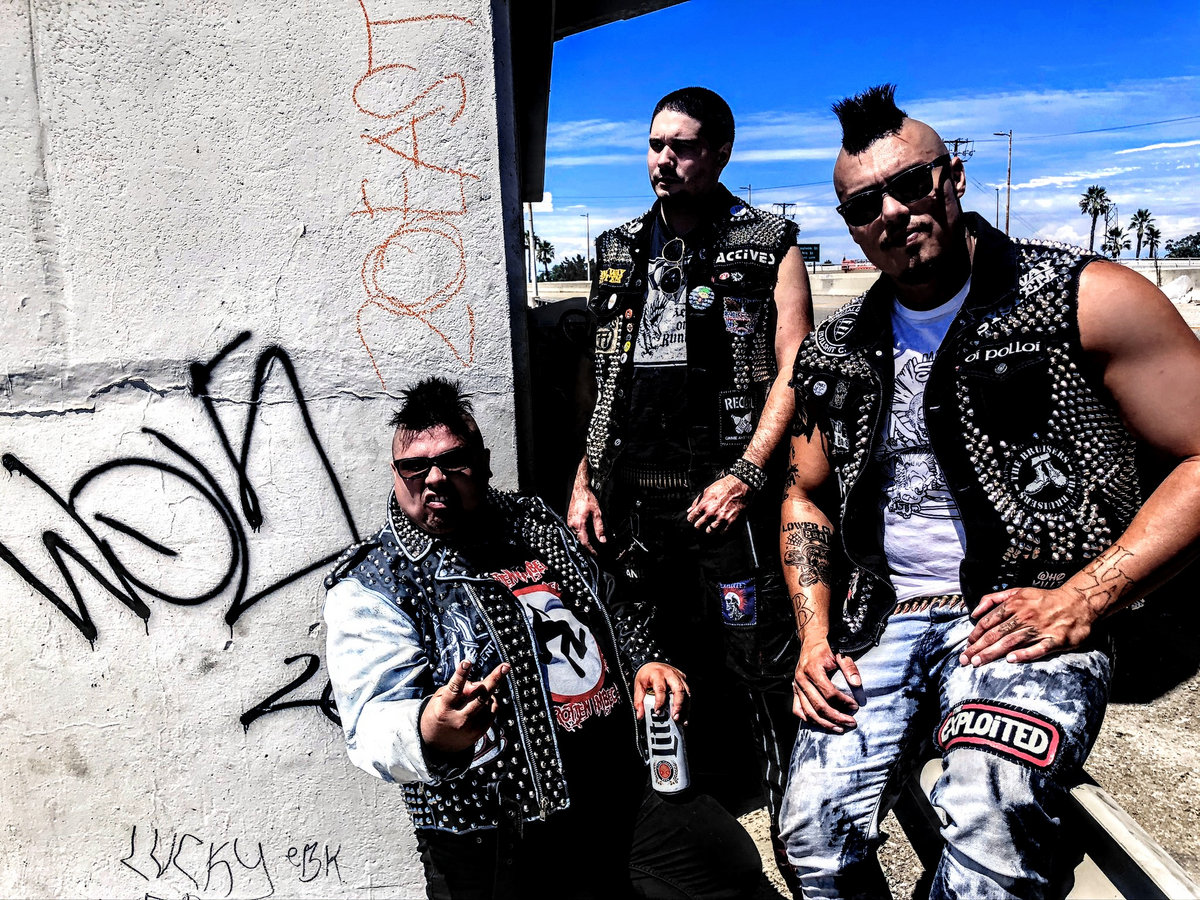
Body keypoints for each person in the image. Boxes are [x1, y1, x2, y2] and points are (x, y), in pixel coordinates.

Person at [777, 83, 1200, 899]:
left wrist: (1086, 597)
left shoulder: (1081, 298)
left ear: (955, 177)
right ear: (850, 225)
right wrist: (813, 636)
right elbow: (804, 496)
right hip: (882, 621)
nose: (892, 213)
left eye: (911, 184)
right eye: (864, 205)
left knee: (986, 816)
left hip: (1025, 614)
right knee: (811, 836)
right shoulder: (836, 348)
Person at [323, 377, 760, 900]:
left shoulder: (530, 521)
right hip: (500, 835)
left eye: (454, 461)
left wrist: (645, 660)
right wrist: (427, 731)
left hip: (621, 788)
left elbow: (605, 600)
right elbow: (370, 719)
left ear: (484, 462)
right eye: (415, 467)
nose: (435, 479)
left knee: (728, 868)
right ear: (396, 475)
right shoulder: (376, 580)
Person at [567, 86, 814, 879]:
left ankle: (798, 833)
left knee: (758, 667)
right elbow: (602, 380)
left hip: (726, 501)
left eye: (682, 147)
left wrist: (748, 472)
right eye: (655, 145)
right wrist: (583, 478)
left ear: (720, 153)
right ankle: (682, 843)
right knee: (648, 663)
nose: (663, 160)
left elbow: (795, 367)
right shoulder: (616, 248)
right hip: (635, 505)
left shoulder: (768, 241)